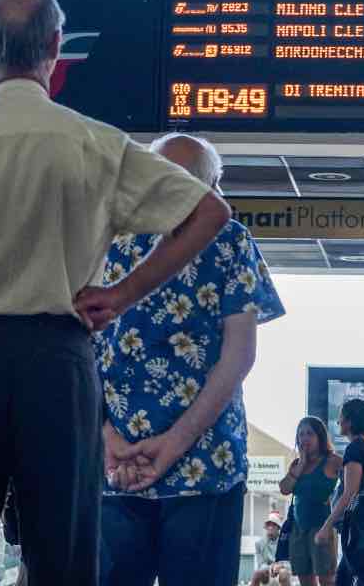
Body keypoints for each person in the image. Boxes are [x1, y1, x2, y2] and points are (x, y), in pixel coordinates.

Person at [0, 0, 232, 586]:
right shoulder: (92, 144)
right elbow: (209, 213)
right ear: (55, 45)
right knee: (63, 554)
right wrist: (122, 295)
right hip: (58, 362)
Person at [97, 134, 285, 586]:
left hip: (116, 467)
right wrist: (177, 444)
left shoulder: (105, 239)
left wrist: (105, 438)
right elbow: (239, 355)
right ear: (214, 184)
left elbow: (78, 348)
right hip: (208, 461)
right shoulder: (228, 239)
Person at [318, 398, 364, 586]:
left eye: (340, 418)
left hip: (358, 527)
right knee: (353, 576)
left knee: (347, 578)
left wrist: (326, 526)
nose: (338, 422)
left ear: (349, 422)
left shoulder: (355, 448)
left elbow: (350, 492)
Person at [280, 417, 343, 586]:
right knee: (305, 579)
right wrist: (301, 464)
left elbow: (353, 482)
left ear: (320, 436)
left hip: (322, 527)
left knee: (327, 579)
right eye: (301, 434)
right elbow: (284, 489)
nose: (304, 438)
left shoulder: (333, 460)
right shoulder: (296, 464)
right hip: (298, 529)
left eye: (309, 433)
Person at [253, 512, 293, 586]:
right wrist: (270, 568)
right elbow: (260, 563)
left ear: (278, 528)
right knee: (257, 574)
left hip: (282, 570)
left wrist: (281, 565)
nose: (270, 527)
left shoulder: (286, 542)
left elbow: (291, 563)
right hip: (267, 572)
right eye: (268, 525)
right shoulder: (259, 543)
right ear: (266, 527)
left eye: (273, 525)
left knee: (283, 573)